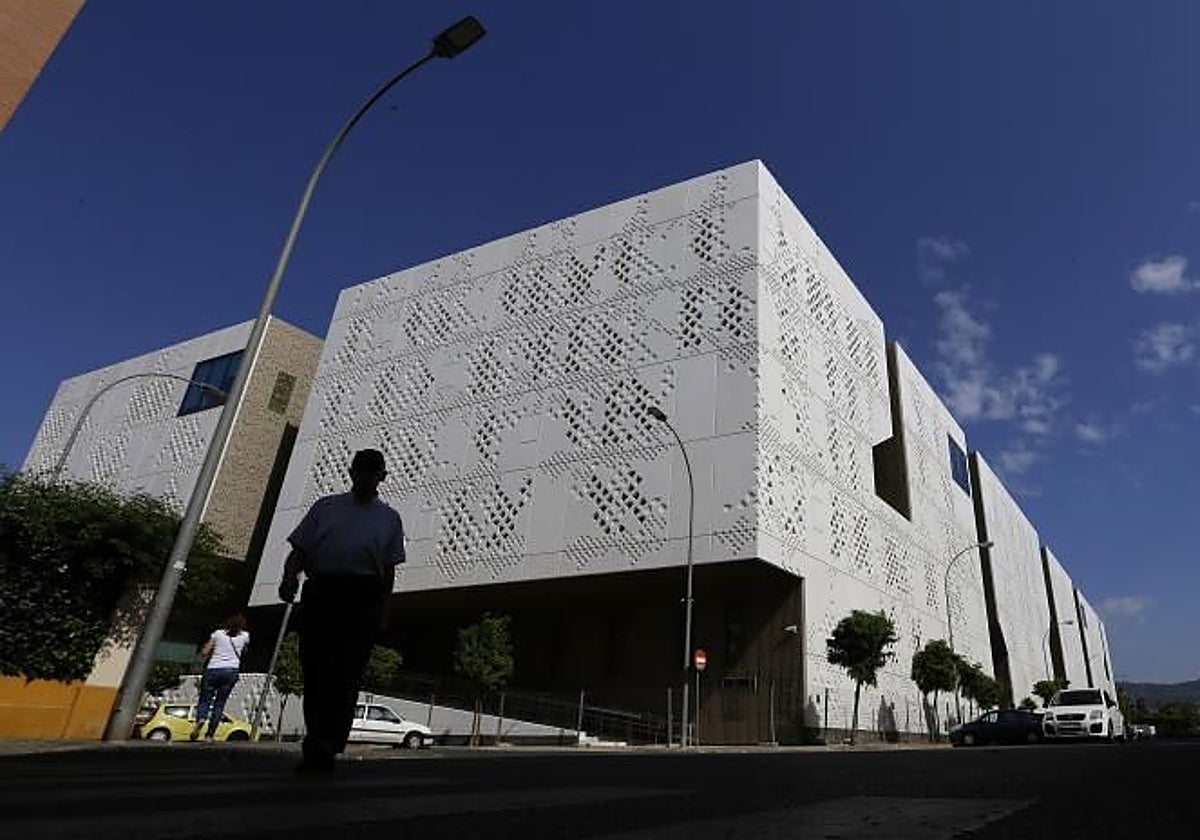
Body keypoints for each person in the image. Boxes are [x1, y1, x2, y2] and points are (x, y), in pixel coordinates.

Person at [278, 448, 405, 772]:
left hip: (362, 595)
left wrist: (383, 610)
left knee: (347, 671)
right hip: (322, 589)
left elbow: (388, 571)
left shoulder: (389, 518)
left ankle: (330, 742)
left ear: (382, 476)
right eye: (361, 469)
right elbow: (300, 549)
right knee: (315, 667)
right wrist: (289, 576)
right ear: (351, 472)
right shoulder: (326, 507)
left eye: (372, 470)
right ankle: (316, 738)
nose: (366, 475)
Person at [191, 613, 250, 742]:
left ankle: (201, 718)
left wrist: (212, 650)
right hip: (231, 671)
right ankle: (209, 735)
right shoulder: (245, 636)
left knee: (205, 700)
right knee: (220, 703)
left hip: (213, 669)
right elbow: (244, 651)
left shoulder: (217, 634)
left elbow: (204, 652)